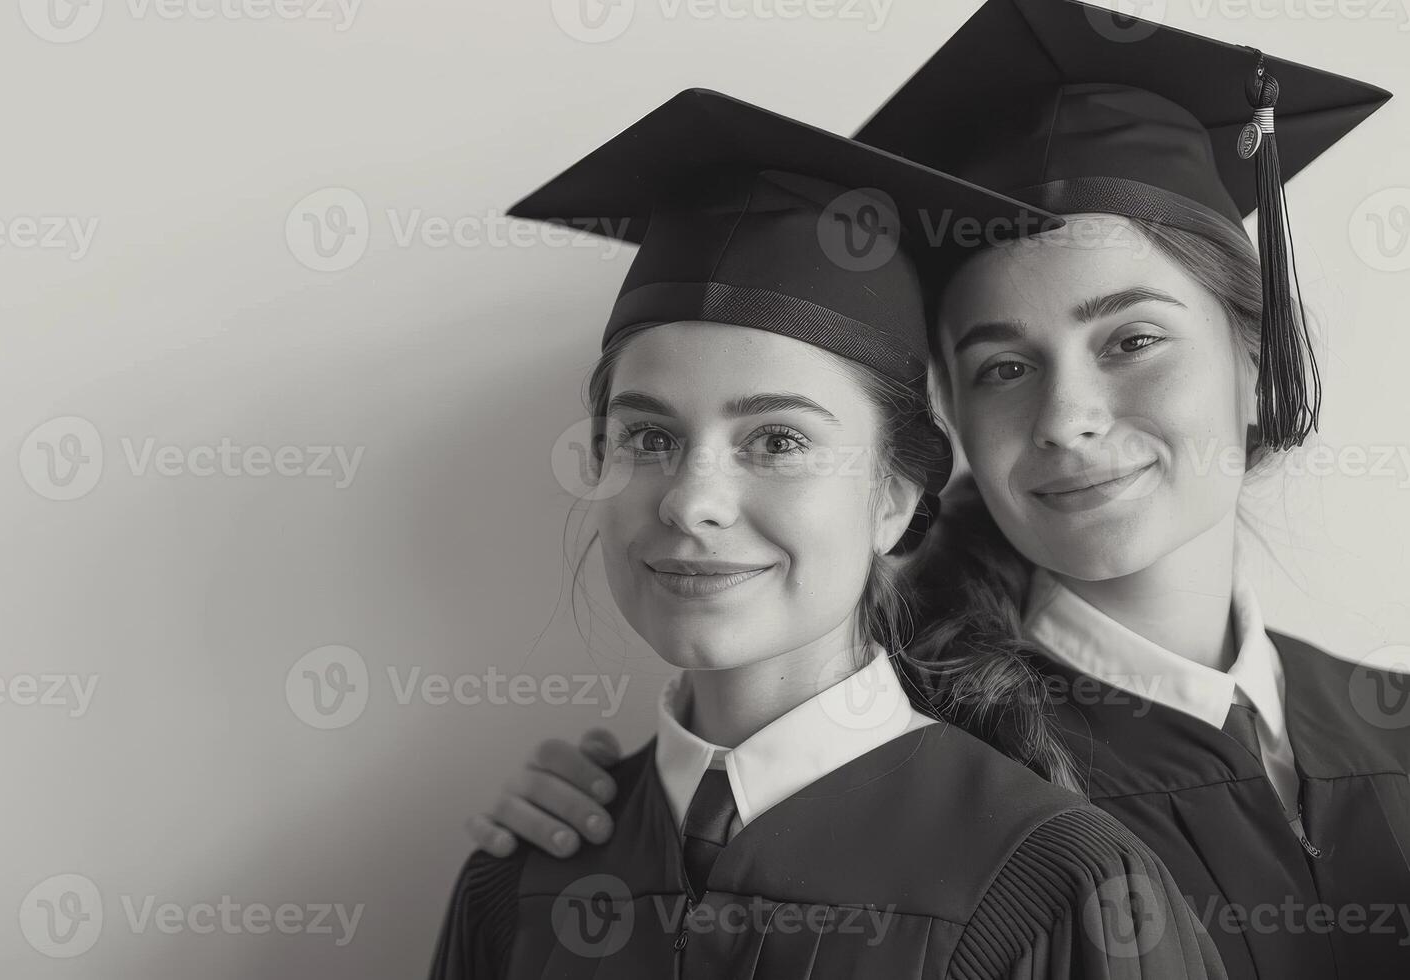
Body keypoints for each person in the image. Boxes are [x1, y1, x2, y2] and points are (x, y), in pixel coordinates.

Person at [464, 3, 1409, 978]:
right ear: (945, 417)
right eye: (1002, 367)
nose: (1069, 416)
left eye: (1133, 340)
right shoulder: (916, 775)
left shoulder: (1388, 720)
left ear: (1257, 361)